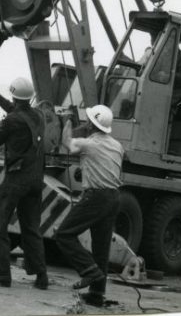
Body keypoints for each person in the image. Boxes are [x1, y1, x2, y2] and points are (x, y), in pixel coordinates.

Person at [0, 77, 48, 290]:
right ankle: (41, 276)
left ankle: (1, 274)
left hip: (17, 180)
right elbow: (17, 110)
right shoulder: (39, 116)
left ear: (15, 98)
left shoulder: (12, 121)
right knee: (31, 228)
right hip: (36, 180)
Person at [55, 104, 124, 307]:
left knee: (64, 234)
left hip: (96, 197)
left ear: (92, 125)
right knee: (101, 246)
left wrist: (67, 121)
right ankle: (96, 294)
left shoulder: (89, 144)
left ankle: (88, 270)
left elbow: (66, 142)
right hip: (113, 197)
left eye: (88, 121)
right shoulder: (117, 146)